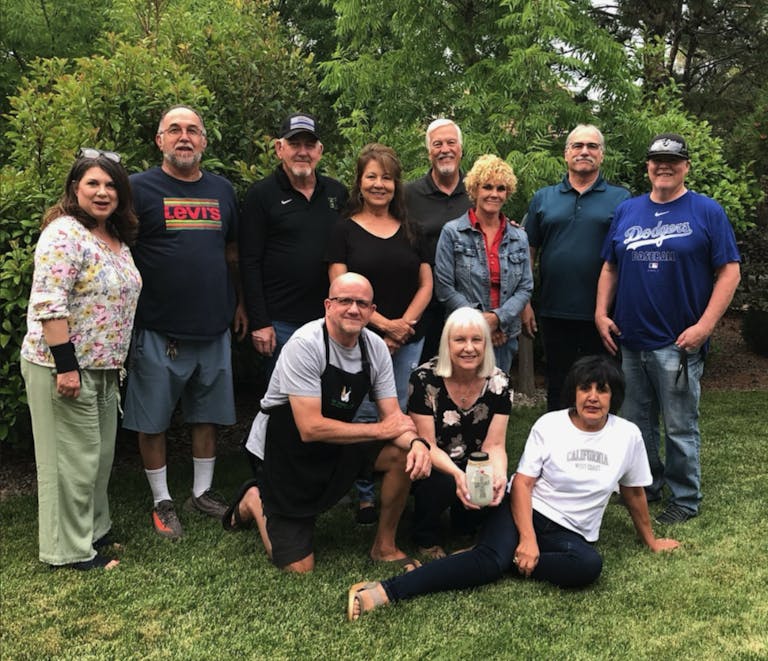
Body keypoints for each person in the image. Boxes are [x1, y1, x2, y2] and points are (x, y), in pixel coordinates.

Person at [346, 355, 680, 620]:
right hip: (523, 510)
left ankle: (500, 556)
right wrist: (529, 539)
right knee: (488, 563)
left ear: (614, 395)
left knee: (588, 565)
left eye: (602, 389)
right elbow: (521, 484)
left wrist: (650, 540)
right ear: (574, 393)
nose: (593, 397)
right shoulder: (550, 425)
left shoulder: (628, 436)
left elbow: (634, 491)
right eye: (585, 389)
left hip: (571, 533)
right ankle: (388, 590)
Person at [227, 273, 432, 573]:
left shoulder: (374, 348)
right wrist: (380, 430)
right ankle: (255, 501)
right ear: (327, 305)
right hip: (284, 450)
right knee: (299, 567)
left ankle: (384, 546)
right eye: (344, 301)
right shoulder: (305, 344)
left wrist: (417, 444)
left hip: (336, 440)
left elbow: (393, 420)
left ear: (372, 312)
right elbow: (309, 428)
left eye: (362, 303)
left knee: (402, 455)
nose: (353, 309)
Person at [595, 133, 741, 525]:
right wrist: (600, 312)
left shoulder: (706, 211)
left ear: (686, 167)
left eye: (672, 161)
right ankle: (649, 484)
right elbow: (610, 266)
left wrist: (705, 327)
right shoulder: (628, 211)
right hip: (630, 338)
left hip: (678, 342)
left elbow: (729, 271)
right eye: (657, 160)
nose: (664, 166)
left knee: (679, 426)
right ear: (647, 166)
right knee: (637, 424)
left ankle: (685, 498)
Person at [122, 106, 247, 540]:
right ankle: (161, 498)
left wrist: (239, 303)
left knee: (206, 415)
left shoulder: (222, 190)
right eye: (174, 130)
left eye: (193, 130)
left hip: (213, 326)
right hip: (159, 328)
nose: (184, 137)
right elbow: (118, 250)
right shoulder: (136, 188)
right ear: (159, 140)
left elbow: (232, 253)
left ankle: (202, 491)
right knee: (151, 419)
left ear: (204, 142)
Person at [21, 149, 142, 570]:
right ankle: (69, 551)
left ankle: (93, 530)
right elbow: (49, 302)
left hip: (105, 367)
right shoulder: (64, 233)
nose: (103, 192)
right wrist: (66, 365)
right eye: (93, 183)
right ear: (75, 188)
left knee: (98, 455)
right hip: (62, 365)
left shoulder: (115, 237)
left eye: (111, 185)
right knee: (70, 461)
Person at [328, 143, 433, 524]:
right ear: (359, 182)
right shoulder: (342, 229)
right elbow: (338, 287)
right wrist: (384, 326)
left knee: (402, 413)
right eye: (371, 176)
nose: (379, 184)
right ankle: (363, 495)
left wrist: (402, 328)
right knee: (360, 412)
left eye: (386, 177)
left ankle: (399, 485)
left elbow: (426, 284)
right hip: (358, 339)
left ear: (396, 184)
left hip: (407, 341)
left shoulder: (411, 229)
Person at [522, 124, 630, 411]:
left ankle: (602, 450)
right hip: (554, 310)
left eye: (592, 146)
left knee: (604, 385)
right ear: (566, 154)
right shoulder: (543, 198)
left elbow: (623, 259)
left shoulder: (621, 199)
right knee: (559, 384)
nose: (585, 151)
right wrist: (525, 303)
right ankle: (557, 451)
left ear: (602, 155)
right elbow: (527, 251)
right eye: (578, 146)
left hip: (605, 315)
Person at [240, 112, 349, 374]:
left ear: (320, 151)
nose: (303, 152)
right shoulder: (260, 195)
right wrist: (260, 321)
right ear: (279, 148)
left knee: (328, 398)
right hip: (280, 323)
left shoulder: (337, 193)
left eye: (309, 145)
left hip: (331, 320)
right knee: (283, 404)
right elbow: (249, 261)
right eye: (294, 144)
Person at [408, 308, 511, 559]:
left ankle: (466, 524)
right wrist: (457, 475)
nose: (469, 348)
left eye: (476, 340)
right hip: (437, 463)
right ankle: (426, 536)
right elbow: (427, 443)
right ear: (447, 343)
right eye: (460, 340)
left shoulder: (499, 382)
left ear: (486, 344)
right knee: (439, 483)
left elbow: (495, 445)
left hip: (476, 462)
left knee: (495, 487)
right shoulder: (424, 379)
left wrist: (499, 474)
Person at [434, 154, 533, 374]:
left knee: (497, 396)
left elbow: (525, 287)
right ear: (475, 189)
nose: (494, 194)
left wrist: (498, 319)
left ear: (508, 193)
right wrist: (480, 323)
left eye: (501, 188)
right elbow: (444, 288)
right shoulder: (452, 233)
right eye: (487, 187)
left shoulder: (519, 237)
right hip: (462, 333)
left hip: (503, 336)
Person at [404, 119, 472, 363]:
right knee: (423, 376)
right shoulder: (408, 195)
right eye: (438, 144)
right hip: (425, 305)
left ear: (461, 149)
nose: (445, 149)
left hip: (468, 302)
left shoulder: (476, 191)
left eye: (451, 143)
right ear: (429, 151)